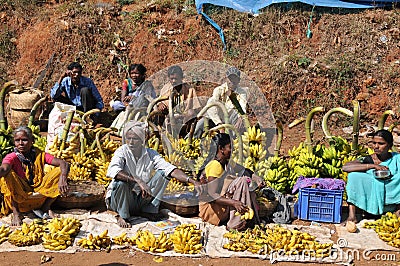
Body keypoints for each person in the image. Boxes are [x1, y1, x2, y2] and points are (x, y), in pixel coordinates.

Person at [105, 121, 202, 228]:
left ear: (143, 139)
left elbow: (170, 169)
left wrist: (192, 181)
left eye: (135, 139)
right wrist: (138, 180)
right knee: (120, 183)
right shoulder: (122, 151)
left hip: (140, 198)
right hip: (120, 199)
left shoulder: (150, 154)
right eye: (128, 138)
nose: (131, 142)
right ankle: (122, 215)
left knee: (163, 174)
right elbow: (113, 170)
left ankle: (148, 210)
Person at [0, 126, 69, 226]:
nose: (20, 143)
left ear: (32, 140)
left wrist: (63, 178)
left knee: (60, 170)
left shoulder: (39, 154)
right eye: (17, 140)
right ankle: (16, 213)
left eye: (24, 140)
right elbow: (4, 168)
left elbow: (64, 163)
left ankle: (45, 207)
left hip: (38, 194)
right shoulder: (11, 157)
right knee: (7, 175)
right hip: (19, 198)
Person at [198, 133, 264, 230]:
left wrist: (256, 178)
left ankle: (244, 217)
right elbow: (212, 195)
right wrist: (234, 203)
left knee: (245, 180)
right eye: (230, 147)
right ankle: (235, 223)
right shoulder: (215, 165)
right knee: (241, 181)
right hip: (212, 210)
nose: (233, 150)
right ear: (221, 149)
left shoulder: (227, 162)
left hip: (222, 205)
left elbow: (244, 170)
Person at [342, 129, 400, 224]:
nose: (376, 146)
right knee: (353, 176)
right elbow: (346, 167)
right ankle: (352, 216)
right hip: (371, 192)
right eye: (374, 143)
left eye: (381, 144)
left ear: (390, 146)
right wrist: (373, 166)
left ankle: (397, 212)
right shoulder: (368, 159)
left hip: (392, 196)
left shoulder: (396, 159)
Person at [110, 64, 156, 135]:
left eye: (137, 73)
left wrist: (133, 97)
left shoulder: (146, 84)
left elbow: (149, 98)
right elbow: (123, 98)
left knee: (140, 97)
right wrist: (127, 105)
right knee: (115, 104)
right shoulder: (127, 82)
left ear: (142, 74)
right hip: (128, 105)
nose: (134, 75)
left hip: (141, 105)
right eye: (132, 73)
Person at [156, 65, 201, 134]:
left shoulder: (189, 89)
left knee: (191, 113)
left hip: (184, 118)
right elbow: (159, 102)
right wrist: (160, 105)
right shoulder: (165, 88)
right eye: (171, 79)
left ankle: (186, 133)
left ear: (181, 78)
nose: (173, 81)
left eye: (176, 79)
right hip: (169, 117)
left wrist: (183, 115)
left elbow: (196, 108)